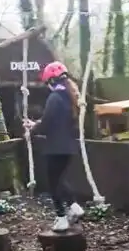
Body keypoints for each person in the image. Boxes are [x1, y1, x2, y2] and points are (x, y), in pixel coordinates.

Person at [24, 61, 85, 232]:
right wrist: (35, 124)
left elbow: (47, 124)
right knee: (60, 180)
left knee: (53, 183)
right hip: (69, 147)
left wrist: (33, 128)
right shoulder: (70, 97)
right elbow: (56, 121)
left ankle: (61, 217)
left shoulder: (54, 97)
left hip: (55, 148)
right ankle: (73, 206)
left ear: (51, 81)